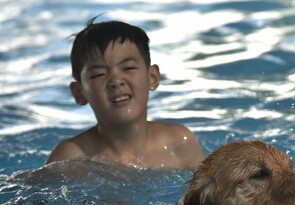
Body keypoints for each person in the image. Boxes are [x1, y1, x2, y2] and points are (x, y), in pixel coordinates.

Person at [46, 18, 205, 170]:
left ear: (152, 77)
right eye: (99, 74)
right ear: (79, 93)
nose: (116, 80)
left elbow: (213, 194)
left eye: (128, 68)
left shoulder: (178, 142)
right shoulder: (70, 158)